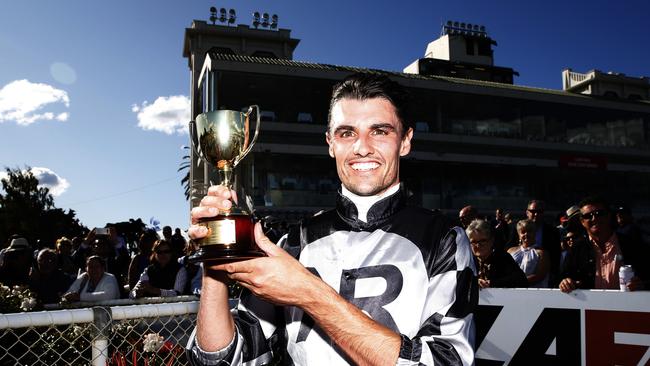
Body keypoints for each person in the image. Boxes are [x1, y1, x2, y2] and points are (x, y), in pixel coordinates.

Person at [186, 73, 477, 365]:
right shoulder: (294, 242)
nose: (362, 147)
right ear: (330, 143)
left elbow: (445, 361)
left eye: (380, 131)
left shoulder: (443, 238)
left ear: (405, 141)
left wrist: (309, 292)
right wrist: (215, 260)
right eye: (347, 133)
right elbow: (225, 359)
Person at [559, 196, 649, 293]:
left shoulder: (632, 244)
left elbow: (646, 277)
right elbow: (563, 278)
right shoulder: (577, 248)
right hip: (589, 306)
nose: (594, 218)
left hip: (628, 306)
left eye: (599, 213)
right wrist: (565, 282)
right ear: (582, 222)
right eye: (587, 216)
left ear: (609, 216)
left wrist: (642, 285)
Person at [466, 219, 527, 288]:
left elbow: (521, 281)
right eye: (473, 242)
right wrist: (473, 282)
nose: (478, 245)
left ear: (491, 241)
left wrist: (491, 283)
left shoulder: (503, 258)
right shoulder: (466, 262)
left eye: (483, 241)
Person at [524, 200, 560, 287]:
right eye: (533, 211)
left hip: (545, 278)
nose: (536, 214)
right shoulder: (517, 229)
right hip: (522, 275)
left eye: (539, 211)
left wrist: (553, 275)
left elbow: (556, 255)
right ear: (527, 212)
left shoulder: (552, 231)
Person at [508, 219, 550, 288]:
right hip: (512, 291)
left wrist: (518, 282)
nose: (526, 234)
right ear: (519, 235)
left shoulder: (542, 253)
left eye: (529, 231)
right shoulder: (510, 251)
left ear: (535, 233)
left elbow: (540, 276)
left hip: (534, 293)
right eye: (523, 232)